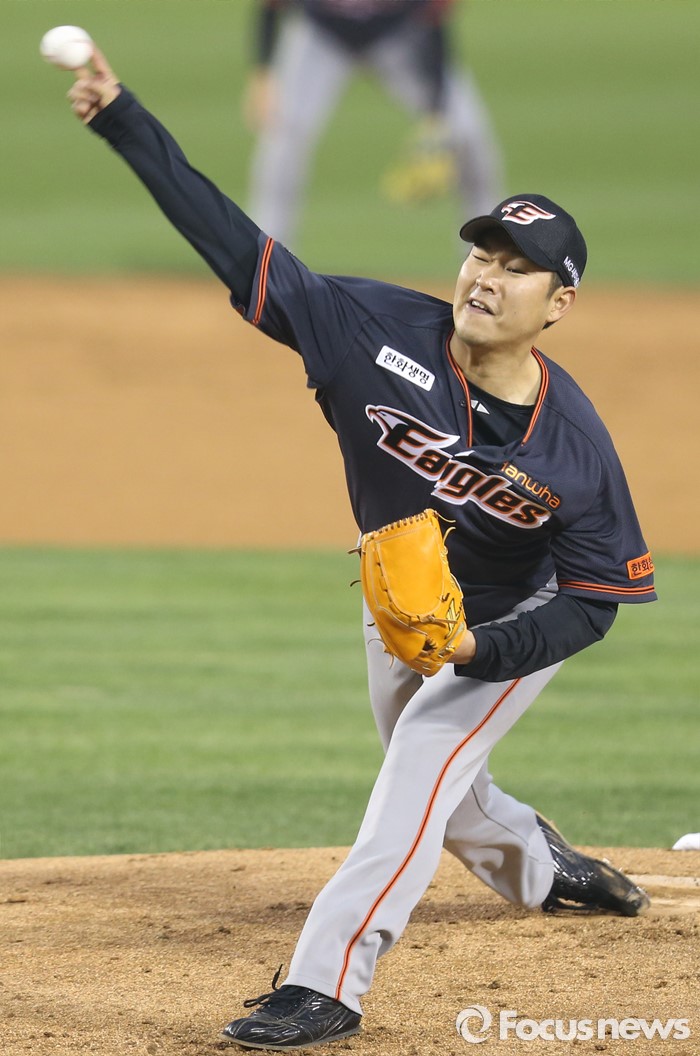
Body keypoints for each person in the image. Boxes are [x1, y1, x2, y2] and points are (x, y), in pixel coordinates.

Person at [67, 48, 656, 1052]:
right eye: (482, 254)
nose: (487, 276)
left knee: (419, 765)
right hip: (400, 602)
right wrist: (122, 116)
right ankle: (540, 866)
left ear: (557, 304)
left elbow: (595, 601)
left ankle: (327, 983)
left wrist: (480, 652)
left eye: (518, 268)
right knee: (438, 787)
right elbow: (235, 244)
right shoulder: (366, 329)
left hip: (512, 619)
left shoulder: (575, 450)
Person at [243, 0, 504, 247]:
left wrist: (437, 112)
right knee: (283, 135)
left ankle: (488, 253)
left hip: (399, 38)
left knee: (466, 134)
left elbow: (433, 19)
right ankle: (266, 261)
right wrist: (263, 74)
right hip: (321, 37)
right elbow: (271, 5)